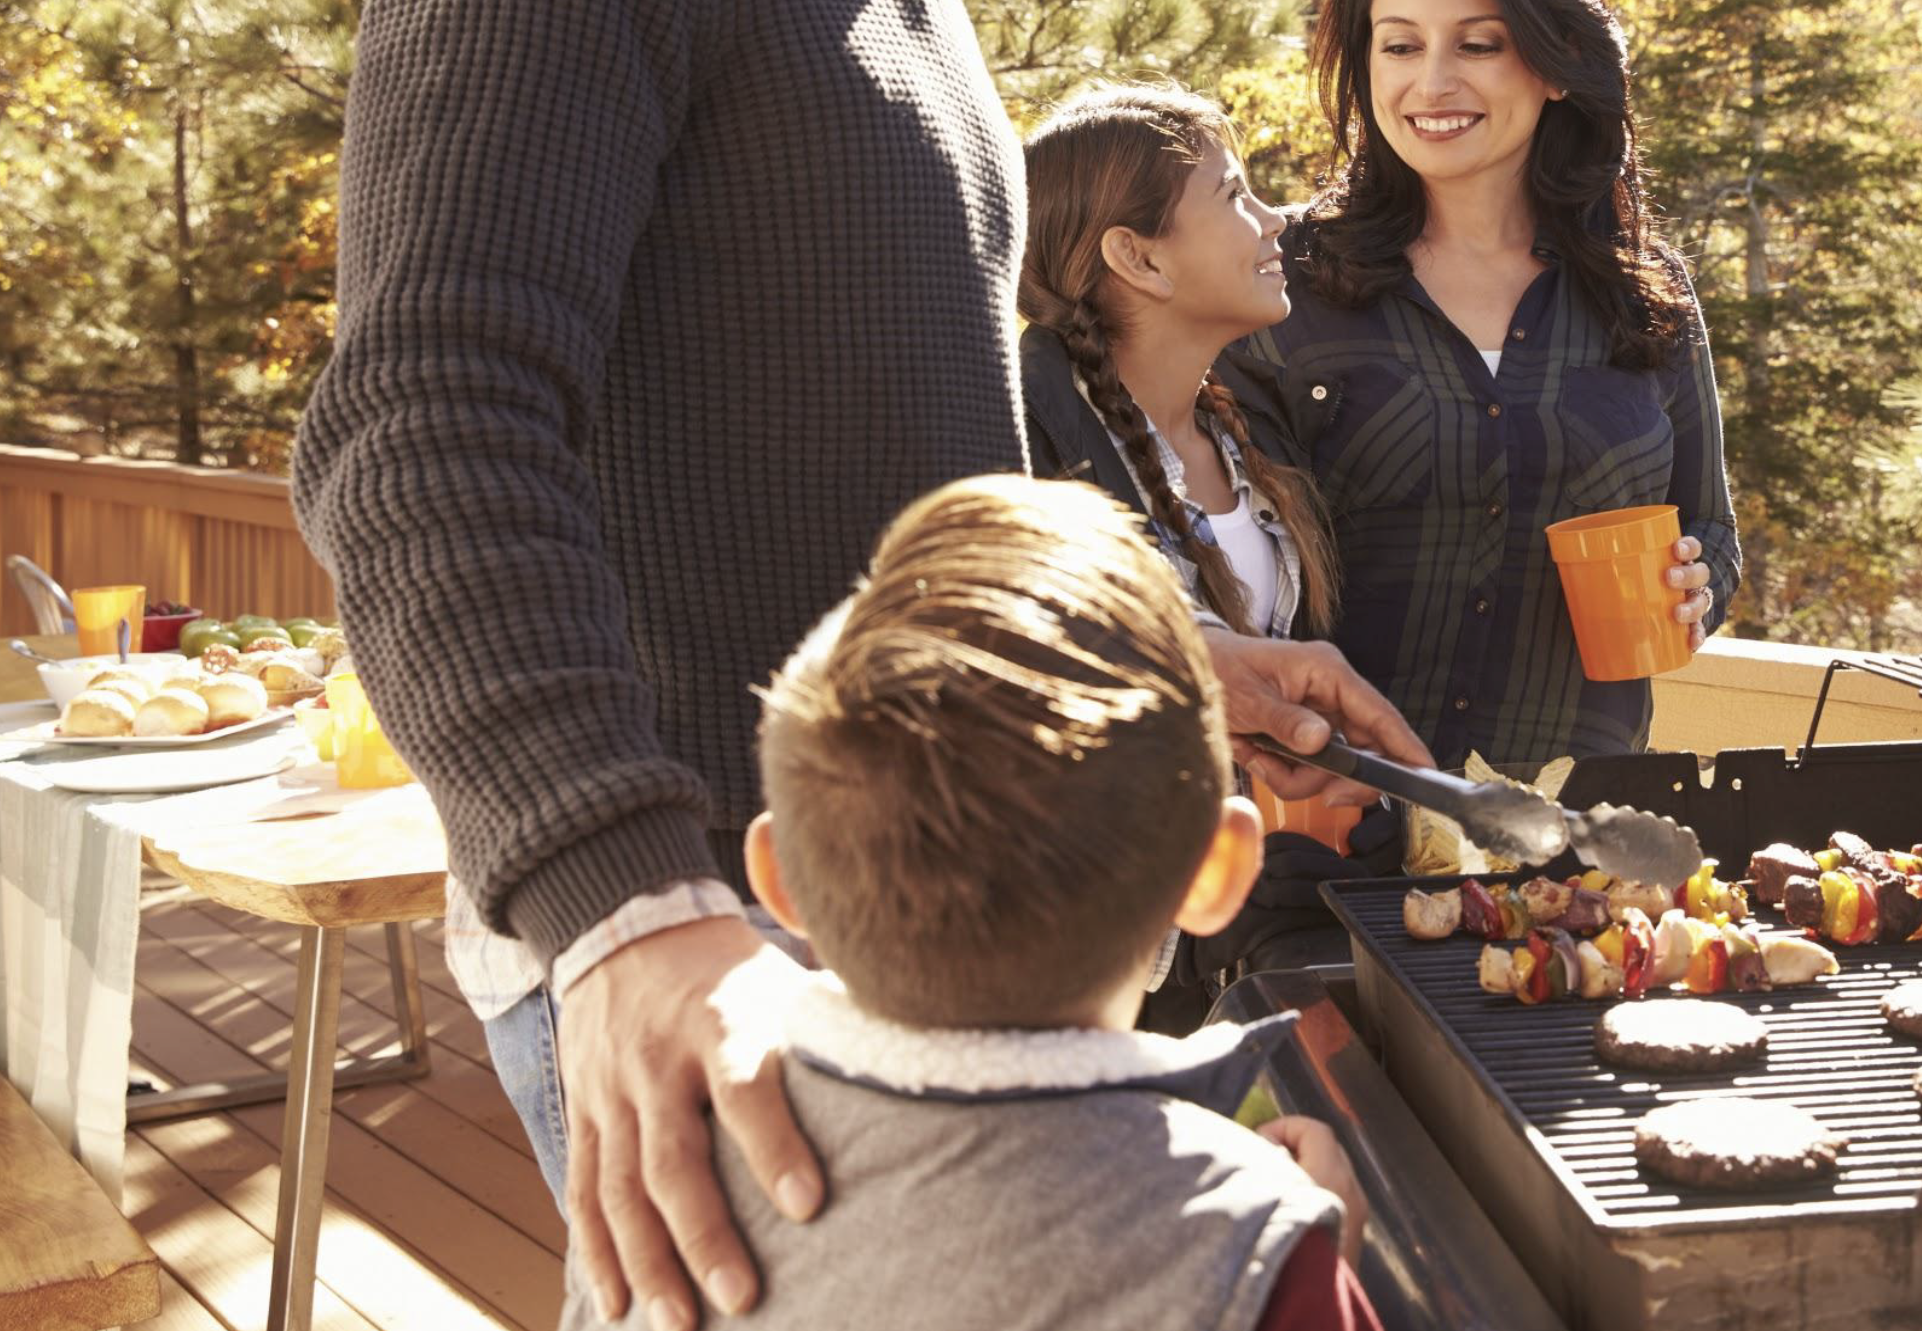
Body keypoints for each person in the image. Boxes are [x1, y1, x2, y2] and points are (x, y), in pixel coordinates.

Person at [291, 0, 1423, 1328]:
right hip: (708, 943)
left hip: (898, 956)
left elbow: (889, 486)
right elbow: (421, 432)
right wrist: (627, 902)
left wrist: (1149, 666)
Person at [558, 473, 1380, 1330]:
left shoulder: (659, 1180)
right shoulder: (1245, 1244)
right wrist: (1323, 1256)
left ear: (780, 879)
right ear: (1219, 870)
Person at [1226, 0, 1741, 771]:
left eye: (1478, 45)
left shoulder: (1645, 293)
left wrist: (1698, 589)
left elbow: (1711, 532)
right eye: (1400, 46)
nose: (1432, 83)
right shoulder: (1282, 280)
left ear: (1551, 63)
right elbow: (1195, 553)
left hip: (1571, 855)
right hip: (1330, 834)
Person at [1017, 84, 1402, 1017]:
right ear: (1137, 256)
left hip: (1246, 966)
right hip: (1098, 988)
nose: (1275, 222)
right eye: (1234, 196)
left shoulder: (1249, 433)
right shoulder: (1023, 445)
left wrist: (1358, 811)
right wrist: (1186, 927)